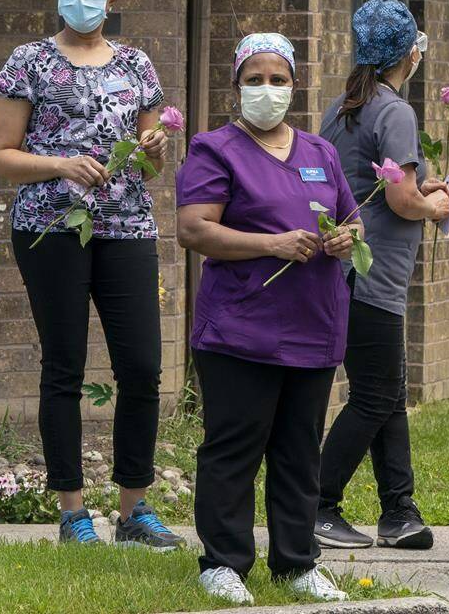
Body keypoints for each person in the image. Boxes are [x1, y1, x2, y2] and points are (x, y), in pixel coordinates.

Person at [0, 0, 183, 548]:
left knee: (143, 368)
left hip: (126, 226)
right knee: (64, 365)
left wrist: (155, 149)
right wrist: (59, 165)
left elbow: (151, 165)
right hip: (51, 228)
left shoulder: (137, 65)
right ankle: (73, 513)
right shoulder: (30, 61)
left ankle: (135, 510)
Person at [177, 32, 359, 605]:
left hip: (312, 324)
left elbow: (352, 221)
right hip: (240, 329)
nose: (267, 89)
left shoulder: (319, 152)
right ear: (237, 86)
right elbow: (194, 229)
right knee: (234, 445)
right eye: (254, 78)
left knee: (299, 448)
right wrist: (271, 244)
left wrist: (344, 238)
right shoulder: (214, 149)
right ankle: (222, 562)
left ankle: (296, 562)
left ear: (294, 85)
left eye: (278, 79)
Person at [315, 0, 449, 551]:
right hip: (371, 276)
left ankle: (399, 511)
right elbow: (400, 199)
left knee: (388, 393)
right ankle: (314, 504)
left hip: (349, 273)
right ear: (409, 54)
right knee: (375, 395)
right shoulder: (395, 110)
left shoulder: (342, 107)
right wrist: (436, 205)